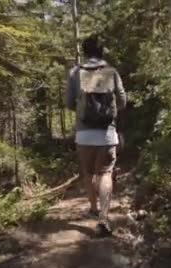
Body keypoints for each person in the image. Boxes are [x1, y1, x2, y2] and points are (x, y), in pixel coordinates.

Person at [66, 35, 127, 237]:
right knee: (106, 173)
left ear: (84, 52)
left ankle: (93, 208)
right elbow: (123, 101)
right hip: (107, 134)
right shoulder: (111, 72)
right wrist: (109, 113)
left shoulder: (75, 73)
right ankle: (103, 218)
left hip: (84, 135)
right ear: (102, 52)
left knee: (89, 173)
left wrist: (83, 110)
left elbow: (68, 103)